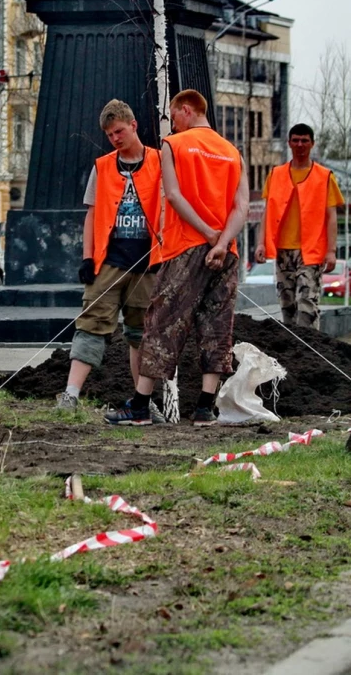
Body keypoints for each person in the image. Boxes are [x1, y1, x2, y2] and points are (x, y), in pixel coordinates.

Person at [105, 89, 249, 428]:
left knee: (162, 323)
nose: (171, 124)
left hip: (186, 246)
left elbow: (174, 196)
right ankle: (204, 408)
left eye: (173, 115)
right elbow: (241, 207)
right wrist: (222, 242)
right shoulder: (233, 152)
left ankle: (139, 406)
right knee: (217, 326)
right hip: (226, 253)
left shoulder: (175, 144)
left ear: (186, 110)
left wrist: (208, 235)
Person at [56, 99, 164, 417]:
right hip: (109, 262)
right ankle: (70, 395)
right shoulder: (102, 166)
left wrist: (164, 253)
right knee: (91, 325)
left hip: (147, 264)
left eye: (119, 131)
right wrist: (88, 257)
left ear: (133, 126)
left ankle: (142, 403)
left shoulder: (160, 162)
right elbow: (91, 214)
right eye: (109, 134)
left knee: (139, 334)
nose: (115, 138)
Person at [255, 123, 342, 329]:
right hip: (283, 250)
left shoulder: (324, 176)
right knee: (286, 303)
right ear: (289, 143)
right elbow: (268, 212)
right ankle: (292, 348)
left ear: (312, 144)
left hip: (310, 252)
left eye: (304, 140)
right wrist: (261, 243)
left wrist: (330, 251)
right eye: (295, 140)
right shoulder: (276, 174)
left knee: (307, 302)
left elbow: (331, 216)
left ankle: (311, 349)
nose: (300, 144)